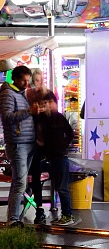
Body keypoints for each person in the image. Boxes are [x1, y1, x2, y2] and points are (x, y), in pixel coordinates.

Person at [0, 65, 35, 228]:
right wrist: (29, 112)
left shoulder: (23, 94)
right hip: (17, 143)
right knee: (19, 181)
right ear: (16, 79)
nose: (27, 84)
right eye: (24, 81)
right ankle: (12, 218)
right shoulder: (7, 95)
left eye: (28, 80)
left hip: (29, 141)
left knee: (24, 182)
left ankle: (19, 213)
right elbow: (6, 117)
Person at [35, 91, 78, 227]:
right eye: (43, 104)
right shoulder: (42, 118)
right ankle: (62, 214)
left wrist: (62, 146)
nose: (45, 106)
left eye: (47, 103)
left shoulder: (59, 118)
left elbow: (70, 133)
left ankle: (67, 214)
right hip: (51, 157)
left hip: (61, 157)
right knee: (58, 185)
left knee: (62, 187)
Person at [25, 67, 52, 225]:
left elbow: (53, 115)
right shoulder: (28, 96)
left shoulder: (47, 94)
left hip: (45, 143)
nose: (38, 84)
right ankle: (40, 208)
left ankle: (48, 207)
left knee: (44, 173)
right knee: (35, 175)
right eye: (36, 81)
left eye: (40, 81)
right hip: (32, 142)